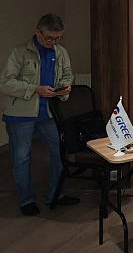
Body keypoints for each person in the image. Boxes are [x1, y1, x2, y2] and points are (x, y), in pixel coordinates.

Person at [1, 14, 79, 216]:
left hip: (48, 113)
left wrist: (65, 85)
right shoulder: (19, 52)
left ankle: (56, 195)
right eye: (49, 38)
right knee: (21, 158)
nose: (53, 42)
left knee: (61, 151)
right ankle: (26, 199)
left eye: (58, 38)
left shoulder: (60, 52)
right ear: (38, 32)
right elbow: (5, 82)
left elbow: (68, 74)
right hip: (20, 116)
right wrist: (35, 89)